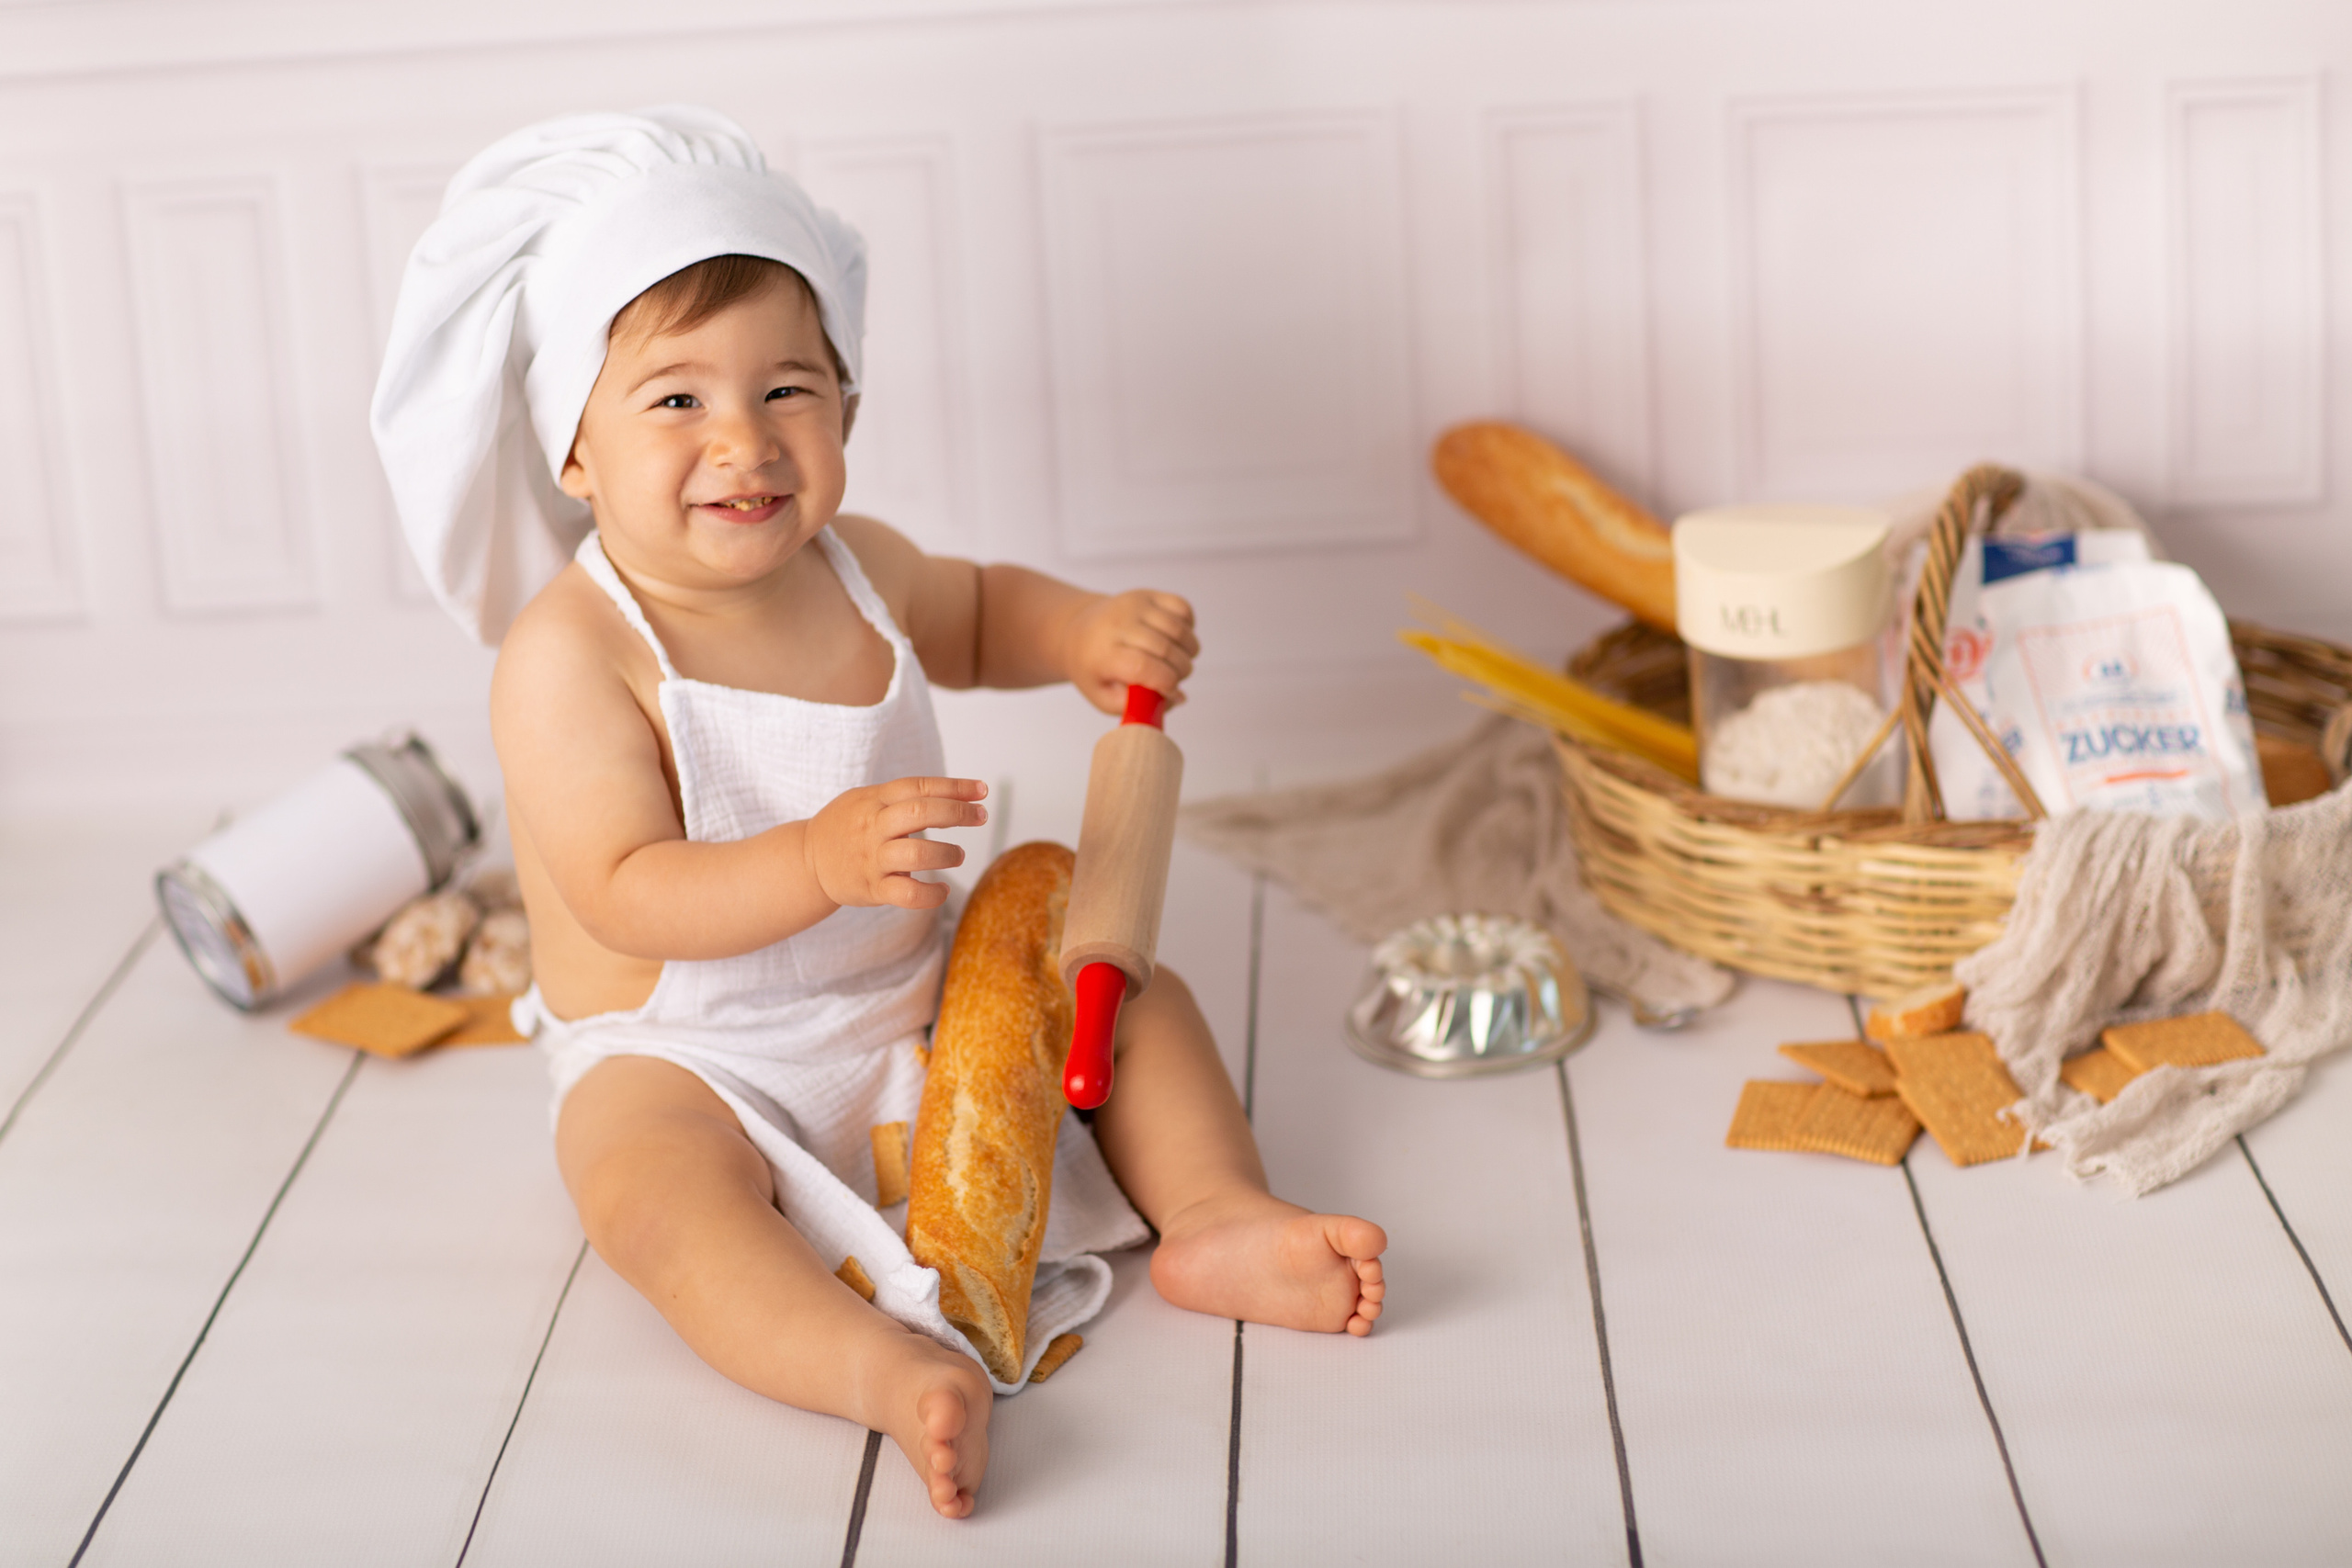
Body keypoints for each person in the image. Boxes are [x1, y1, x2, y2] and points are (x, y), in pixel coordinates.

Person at [374, 107, 1384, 1519]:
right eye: (676, 401)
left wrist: (1082, 632)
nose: (744, 440)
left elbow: (974, 611)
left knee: (1128, 996)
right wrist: (814, 858)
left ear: (845, 408)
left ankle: (1217, 1216)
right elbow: (621, 886)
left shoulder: (858, 569)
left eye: (787, 388)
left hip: (908, 1000)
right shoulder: (572, 654)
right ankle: (871, 1367)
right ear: (576, 451)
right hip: (692, 1054)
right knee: (648, 1197)